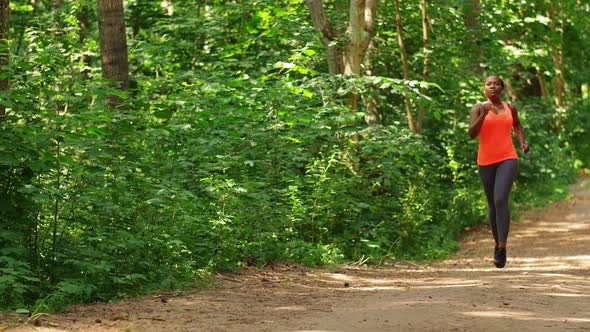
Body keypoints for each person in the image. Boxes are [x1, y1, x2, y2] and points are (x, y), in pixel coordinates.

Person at [469, 75, 529, 268]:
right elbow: (472, 133)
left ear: (501, 88)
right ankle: (496, 244)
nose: (492, 86)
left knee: (500, 199)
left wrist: (521, 142)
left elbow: (517, 124)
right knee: (492, 205)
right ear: (484, 88)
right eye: (488, 84)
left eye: (496, 84)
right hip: (485, 162)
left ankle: (502, 247)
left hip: (508, 158)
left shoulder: (510, 107)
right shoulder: (478, 108)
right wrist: (483, 115)